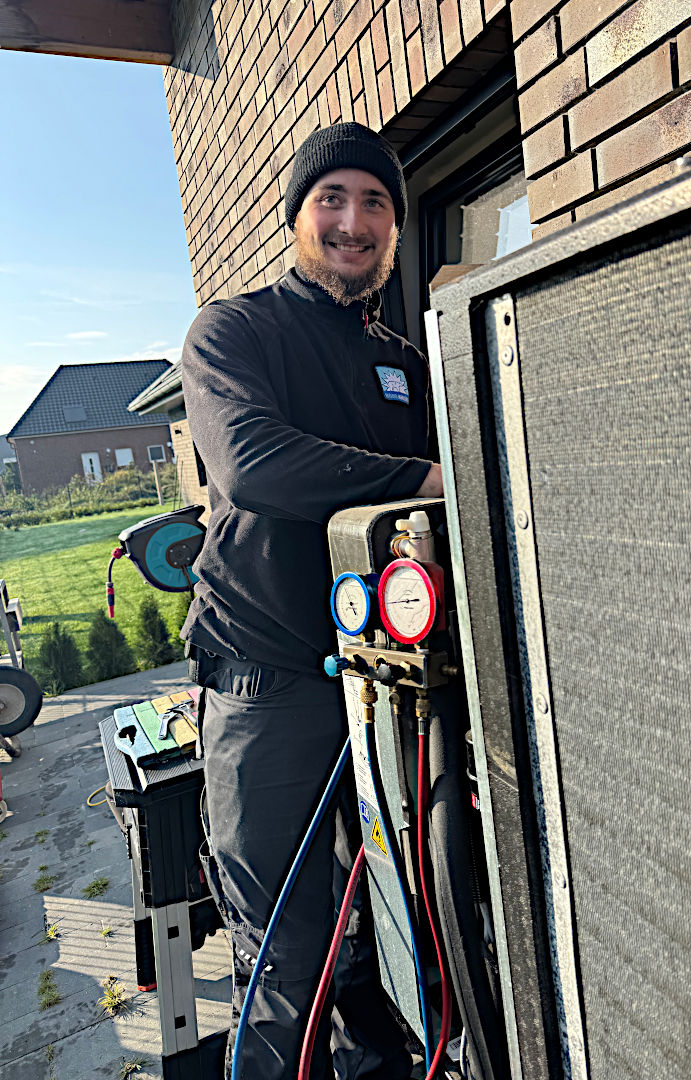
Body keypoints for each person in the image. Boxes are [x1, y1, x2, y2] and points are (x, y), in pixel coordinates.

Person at [180, 121, 443, 1079]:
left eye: (375, 203)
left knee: (395, 921)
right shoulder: (234, 332)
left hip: (388, 682)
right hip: (270, 685)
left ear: (394, 228)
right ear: (297, 216)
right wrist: (423, 478)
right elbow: (253, 466)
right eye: (332, 199)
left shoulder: (403, 362)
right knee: (287, 956)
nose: (353, 222)